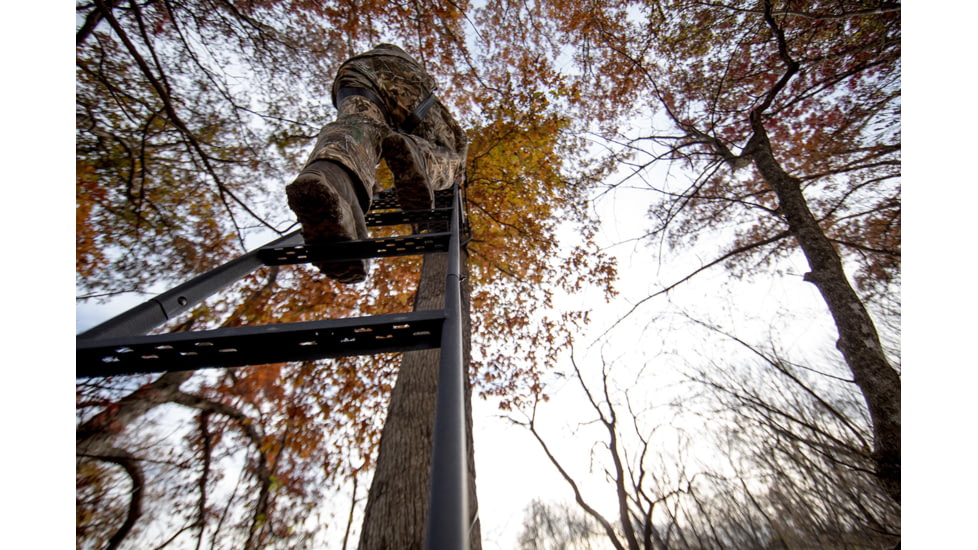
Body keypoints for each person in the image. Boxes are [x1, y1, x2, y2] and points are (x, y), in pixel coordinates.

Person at [286, 44, 468, 283]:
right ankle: (419, 154)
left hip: (356, 73)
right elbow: (456, 140)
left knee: (359, 125)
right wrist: (459, 178)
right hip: (405, 81)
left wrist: (372, 187)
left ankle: (329, 178)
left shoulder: (380, 52)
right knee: (455, 158)